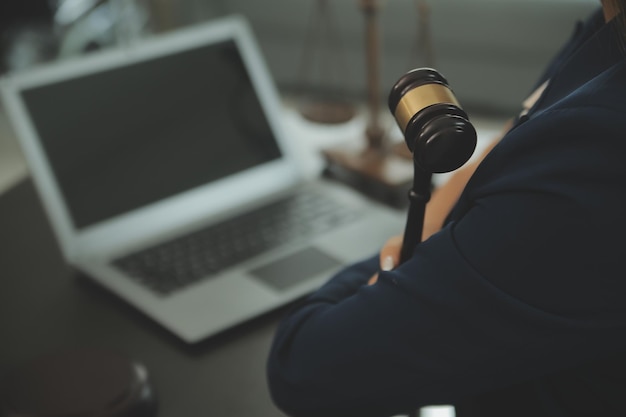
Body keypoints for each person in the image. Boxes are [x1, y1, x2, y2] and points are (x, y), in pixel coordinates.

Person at [266, 1, 626, 416]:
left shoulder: (597, 151)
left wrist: (405, 256)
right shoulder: (608, 27)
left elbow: (301, 367)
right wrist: (429, 224)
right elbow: (520, 128)